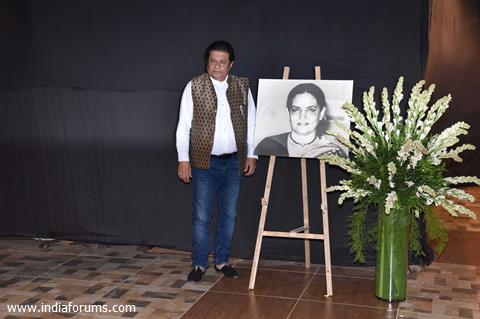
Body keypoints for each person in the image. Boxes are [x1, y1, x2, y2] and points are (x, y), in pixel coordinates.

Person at [176, 40, 257, 282]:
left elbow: (251, 124)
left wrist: (252, 154)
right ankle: (199, 264)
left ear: (231, 64)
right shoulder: (194, 86)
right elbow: (183, 127)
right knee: (202, 215)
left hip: (234, 163)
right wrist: (183, 159)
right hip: (203, 163)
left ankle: (222, 261)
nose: (217, 66)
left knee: (229, 215)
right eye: (213, 61)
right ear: (207, 62)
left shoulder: (242, 87)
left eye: (222, 62)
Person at [254, 83, 346, 158]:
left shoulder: (332, 152)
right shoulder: (268, 146)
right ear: (288, 112)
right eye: (296, 109)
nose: (302, 116)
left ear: (321, 113)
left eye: (311, 110)